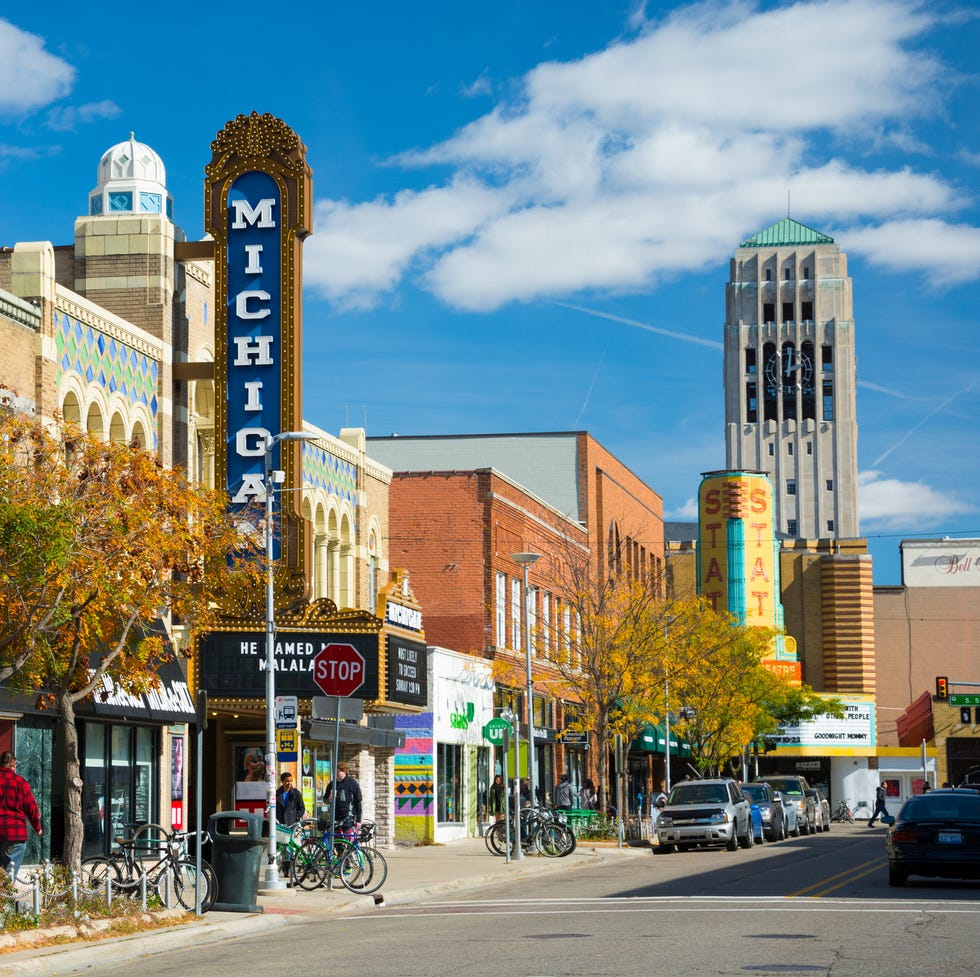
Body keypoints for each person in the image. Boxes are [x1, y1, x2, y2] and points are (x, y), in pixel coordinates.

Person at [0, 752, 42, 884]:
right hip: (15, 835)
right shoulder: (21, 783)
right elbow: (32, 808)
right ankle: (5, 902)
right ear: (13, 765)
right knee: (8, 874)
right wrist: (37, 827)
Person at [322, 761, 362, 832]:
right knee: (335, 841)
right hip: (335, 818)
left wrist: (359, 820)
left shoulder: (352, 784)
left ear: (344, 771)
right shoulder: (332, 784)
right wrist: (329, 799)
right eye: (335, 771)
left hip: (348, 819)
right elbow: (325, 799)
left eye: (338, 771)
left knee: (347, 840)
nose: (336, 773)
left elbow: (358, 802)